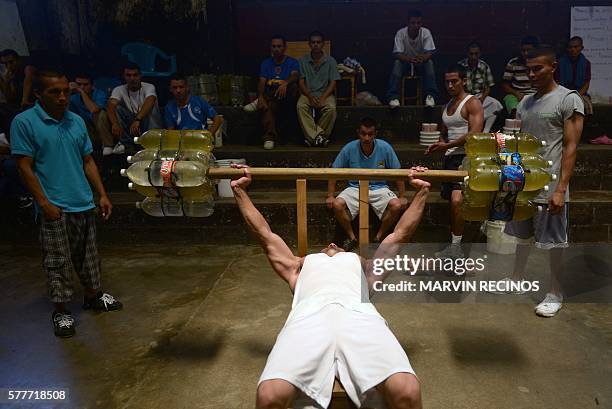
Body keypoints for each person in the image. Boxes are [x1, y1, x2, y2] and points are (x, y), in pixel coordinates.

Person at [230, 162, 429, 409]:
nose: (333, 245)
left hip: (360, 317)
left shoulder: (366, 269)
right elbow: (264, 234)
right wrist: (239, 190)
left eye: (338, 246)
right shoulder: (297, 267)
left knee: (408, 392)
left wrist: (421, 191)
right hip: (308, 318)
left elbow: (400, 234)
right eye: (328, 246)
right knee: (270, 396)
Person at [11, 71, 122, 338]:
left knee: (89, 256)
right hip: (55, 206)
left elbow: (87, 161)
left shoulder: (75, 121)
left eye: (65, 91)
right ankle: (61, 311)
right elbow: (24, 167)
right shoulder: (24, 122)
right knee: (57, 261)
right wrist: (43, 202)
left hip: (83, 201)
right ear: (38, 94)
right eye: (54, 92)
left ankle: (93, 297)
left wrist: (102, 194)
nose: (62, 97)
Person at [496, 47, 584, 317]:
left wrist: (561, 189)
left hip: (551, 185)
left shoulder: (568, 99)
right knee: (522, 237)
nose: (532, 74)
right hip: (524, 184)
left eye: (538, 69)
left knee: (553, 243)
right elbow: (519, 144)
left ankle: (555, 292)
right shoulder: (525, 103)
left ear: (553, 67)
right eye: (528, 70)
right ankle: (516, 279)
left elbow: (570, 147)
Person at [425, 65, 484, 260]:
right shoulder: (447, 106)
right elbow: (445, 134)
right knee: (451, 201)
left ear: (464, 81)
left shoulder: (472, 103)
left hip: (467, 158)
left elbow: (475, 134)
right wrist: (438, 144)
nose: (450, 85)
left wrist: (446, 145)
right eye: (447, 82)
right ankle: (455, 244)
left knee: (457, 201)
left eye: (454, 81)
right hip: (450, 159)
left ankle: (457, 248)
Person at [328, 117, 407, 251]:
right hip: (355, 187)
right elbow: (334, 171)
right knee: (337, 204)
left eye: (370, 134)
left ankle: (378, 237)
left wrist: (402, 195)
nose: (366, 137)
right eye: (363, 133)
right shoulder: (349, 148)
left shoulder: (385, 147)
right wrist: (330, 195)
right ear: (358, 133)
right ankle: (352, 238)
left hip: (379, 187)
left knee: (396, 205)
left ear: (375, 134)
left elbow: (397, 171)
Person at [252, 35, 300, 150]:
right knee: (269, 106)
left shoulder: (292, 62)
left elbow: (295, 75)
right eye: (274, 46)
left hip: (287, 94)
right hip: (273, 94)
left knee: (292, 86)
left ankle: (258, 101)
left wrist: (285, 83)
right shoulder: (266, 63)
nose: (276, 49)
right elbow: (262, 81)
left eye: (279, 46)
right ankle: (269, 138)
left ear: (284, 47)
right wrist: (261, 96)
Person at [386, 9, 439, 108]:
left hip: (421, 63)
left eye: (418, 23)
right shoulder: (400, 33)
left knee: (429, 63)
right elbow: (397, 53)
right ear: (408, 23)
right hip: (405, 63)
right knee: (397, 63)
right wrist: (410, 59)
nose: (416, 26)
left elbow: (431, 52)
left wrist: (423, 58)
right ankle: (393, 97)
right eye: (413, 23)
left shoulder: (425, 32)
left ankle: (430, 96)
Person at [107, 62, 162, 153]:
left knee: (152, 106)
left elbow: (150, 100)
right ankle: (126, 144)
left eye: (135, 75)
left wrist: (138, 120)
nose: (132, 78)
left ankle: (153, 139)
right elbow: (111, 105)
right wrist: (115, 123)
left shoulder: (149, 86)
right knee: (117, 108)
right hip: (132, 122)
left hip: (146, 122)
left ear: (140, 76)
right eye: (128, 75)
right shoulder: (118, 89)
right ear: (124, 76)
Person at [297, 31, 340, 147]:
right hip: (308, 94)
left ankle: (312, 138)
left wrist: (323, 98)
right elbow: (301, 82)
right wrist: (310, 97)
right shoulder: (302, 61)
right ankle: (319, 137)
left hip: (325, 94)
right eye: (313, 42)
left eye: (318, 42)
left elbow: (333, 83)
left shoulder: (331, 61)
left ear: (323, 44)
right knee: (301, 106)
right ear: (309, 44)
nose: (316, 44)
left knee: (331, 108)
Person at [458, 41, 502, 132]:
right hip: (464, 97)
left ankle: (486, 130)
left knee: (495, 104)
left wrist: (482, 98)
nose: (473, 56)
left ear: (480, 54)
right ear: (467, 54)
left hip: (479, 96)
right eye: (471, 54)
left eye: (476, 54)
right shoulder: (460, 66)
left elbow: (488, 87)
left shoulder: (484, 66)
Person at [69, 73, 116, 156]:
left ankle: (108, 145)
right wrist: (67, 91)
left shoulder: (100, 94)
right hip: (87, 129)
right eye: (79, 85)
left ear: (92, 85)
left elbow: (94, 109)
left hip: (102, 128)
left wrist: (82, 92)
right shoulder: (74, 98)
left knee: (100, 114)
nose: (82, 87)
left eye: (85, 84)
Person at [0, 49, 36, 136]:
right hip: (18, 106)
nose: (9, 66)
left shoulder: (28, 69)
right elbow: (10, 98)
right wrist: (7, 83)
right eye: (5, 64)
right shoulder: (12, 75)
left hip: (34, 102)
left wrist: (24, 101)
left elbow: (28, 83)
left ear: (18, 60)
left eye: (11, 62)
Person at [502, 35, 539, 118]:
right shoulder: (513, 63)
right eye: (523, 50)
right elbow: (505, 85)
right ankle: (516, 125)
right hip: (516, 94)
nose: (525, 53)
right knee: (509, 99)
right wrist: (517, 93)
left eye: (528, 50)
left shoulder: (540, 63)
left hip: (535, 94)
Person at [555, 36, 593, 116]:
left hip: (580, 93)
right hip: (562, 93)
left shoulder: (586, 63)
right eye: (570, 47)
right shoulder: (560, 62)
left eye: (576, 47)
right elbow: (556, 82)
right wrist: (565, 95)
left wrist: (576, 96)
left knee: (586, 106)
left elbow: (586, 84)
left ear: (581, 48)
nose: (573, 50)